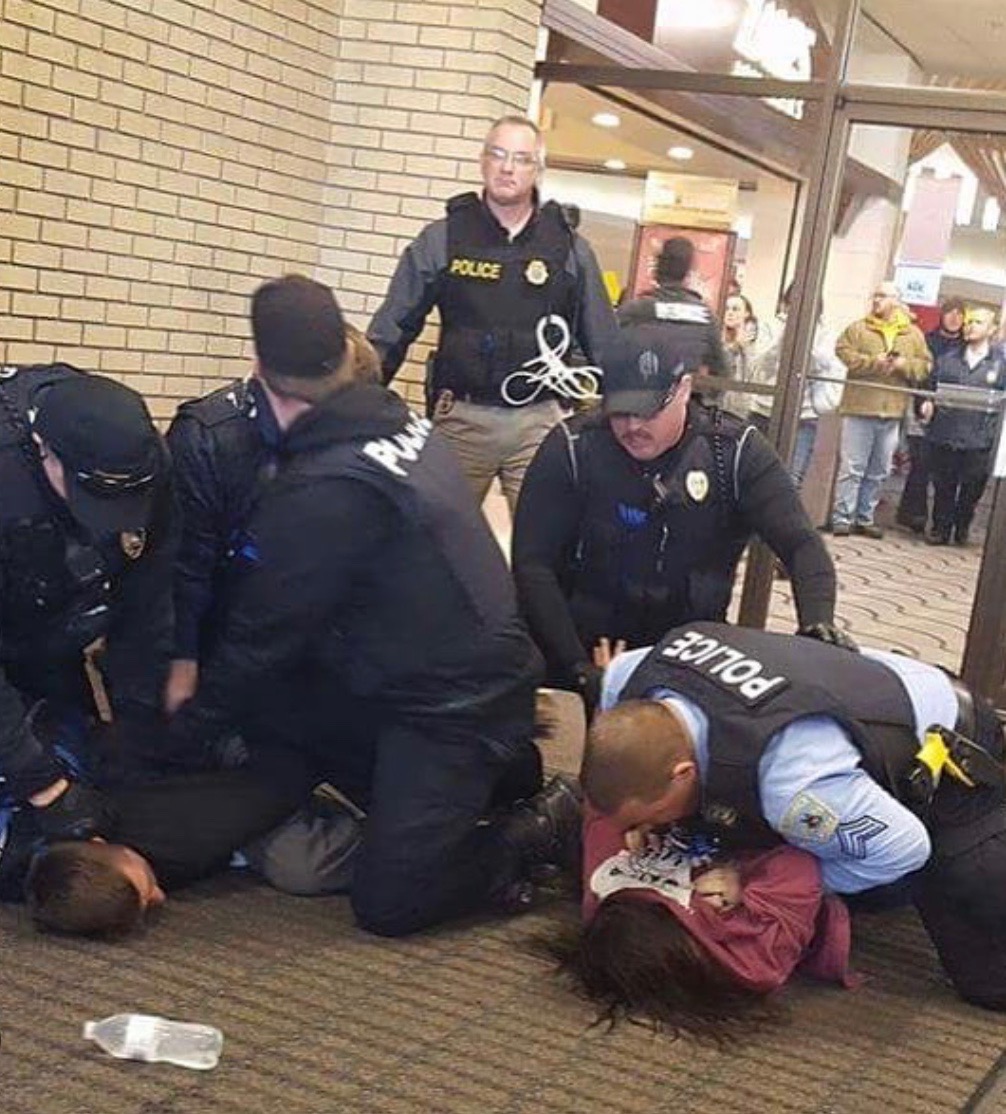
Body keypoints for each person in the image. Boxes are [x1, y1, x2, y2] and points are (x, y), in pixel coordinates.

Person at [161, 273, 579, 937]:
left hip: (449, 707)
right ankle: (497, 772)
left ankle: (539, 826)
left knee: (392, 901)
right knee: (292, 719)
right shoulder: (398, 429)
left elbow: (262, 638)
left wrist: (182, 734)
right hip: (447, 680)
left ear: (259, 369)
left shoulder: (327, 485)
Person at [583, 619, 1006, 1010]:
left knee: (986, 976)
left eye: (649, 816)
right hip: (843, 683)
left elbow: (904, 850)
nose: (643, 831)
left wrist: (758, 880)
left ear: (682, 774)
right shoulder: (625, 677)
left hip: (948, 750)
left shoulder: (793, 789)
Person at [511, 329, 846, 714]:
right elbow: (532, 564)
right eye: (619, 411)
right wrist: (579, 669)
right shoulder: (575, 447)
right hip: (589, 640)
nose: (633, 426)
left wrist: (817, 624)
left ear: (684, 389)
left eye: (648, 410)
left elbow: (801, 544)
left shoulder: (732, 452)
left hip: (692, 648)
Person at [367, 114, 617, 513]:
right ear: (482, 161)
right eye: (498, 155)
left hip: (539, 420)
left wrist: (618, 420)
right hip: (463, 416)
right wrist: (356, 400)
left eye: (520, 158)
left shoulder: (569, 247)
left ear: (537, 169)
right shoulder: (444, 238)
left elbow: (604, 341)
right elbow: (392, 327)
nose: (507, 167)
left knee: (546, 551)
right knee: (435, 548)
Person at [164, 323, 381, 717]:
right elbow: (187, 566)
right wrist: (185, 658)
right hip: (221, 616)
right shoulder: (207, 436)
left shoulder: (357, 442)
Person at [0, 364, 174, 840]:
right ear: (43, 451)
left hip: (53, 623)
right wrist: (44, 787)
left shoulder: (143, 458)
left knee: (88, 763)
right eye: (88, 499)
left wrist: (135, 723)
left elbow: (148, 600)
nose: (105, 523)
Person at [550, 818, 854, 1039]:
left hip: (696, 810)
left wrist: (641, 813)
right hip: (781, 835)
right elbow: (801, 861)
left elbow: (603, 816)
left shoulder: (610, 910)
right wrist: (740, 878)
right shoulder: (754, 959)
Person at [2, 764, 332, 936]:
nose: (160, 897)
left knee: (301, 865)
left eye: (149, 883)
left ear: (100, 843)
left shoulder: (187, 832)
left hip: (248, 769)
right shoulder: (28, 874)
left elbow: (282, 784)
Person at [831, 282, 931, 538]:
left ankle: (864, 518)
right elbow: (842, 353)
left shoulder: (913, 335)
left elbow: (926, 366)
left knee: (879, 470)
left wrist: (902, 364)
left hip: (892, 411)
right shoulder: (858, 328)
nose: (876, 300)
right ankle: (842, 517)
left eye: (883, 296)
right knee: (852, 467)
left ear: (896, 301)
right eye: (875, 295)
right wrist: (872, 363)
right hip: (859, 407)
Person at [746, 285, 846, 489]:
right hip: (764, 410)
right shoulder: (770, 325)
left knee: (791, 480)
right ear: (786, 304)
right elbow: (759, 364)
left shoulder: (826, 333)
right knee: (750, 476)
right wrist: (783, 338)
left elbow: (822, 366)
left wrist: (805, 339)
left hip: (804, 415)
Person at [922, 307, 1006, 546]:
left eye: (978, 322)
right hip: (946, 433)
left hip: (980, 438)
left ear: (991, 329)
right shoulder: (948, 359)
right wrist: (928, 403)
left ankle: (961, 527)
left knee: (972, 489)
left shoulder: (1000, 363)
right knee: (943, 486)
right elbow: (931, 388)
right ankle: (940, 528)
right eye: (969, 322)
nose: (970, 326)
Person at [897, 297, 965, 534]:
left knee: (944, 470)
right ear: (942, 315)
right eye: (950, 312)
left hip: (952, 416)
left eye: (959, 313)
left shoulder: (966, 346)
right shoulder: (928, 341)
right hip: (923, 407)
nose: (954, 317)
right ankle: (913, 514)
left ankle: (941, 521)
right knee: (920, 464)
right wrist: (923, 401)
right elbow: (920, 375)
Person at [616, 236, 728, 380]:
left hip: (637, 395)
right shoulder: (705, 317)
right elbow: (721, 373)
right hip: (685, 398)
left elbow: (607, 353)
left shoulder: (634, 310)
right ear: (688, 270)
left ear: (657, 267)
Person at [718, 293, 760, 418]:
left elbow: (753, 373)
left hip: (740, 412)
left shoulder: (753, 343)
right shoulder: (716, 338)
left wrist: (744, 347)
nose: (730, 313)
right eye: (727, 309)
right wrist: (733, 347)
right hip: (715, 406)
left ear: (746, 313)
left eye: (735, 309)